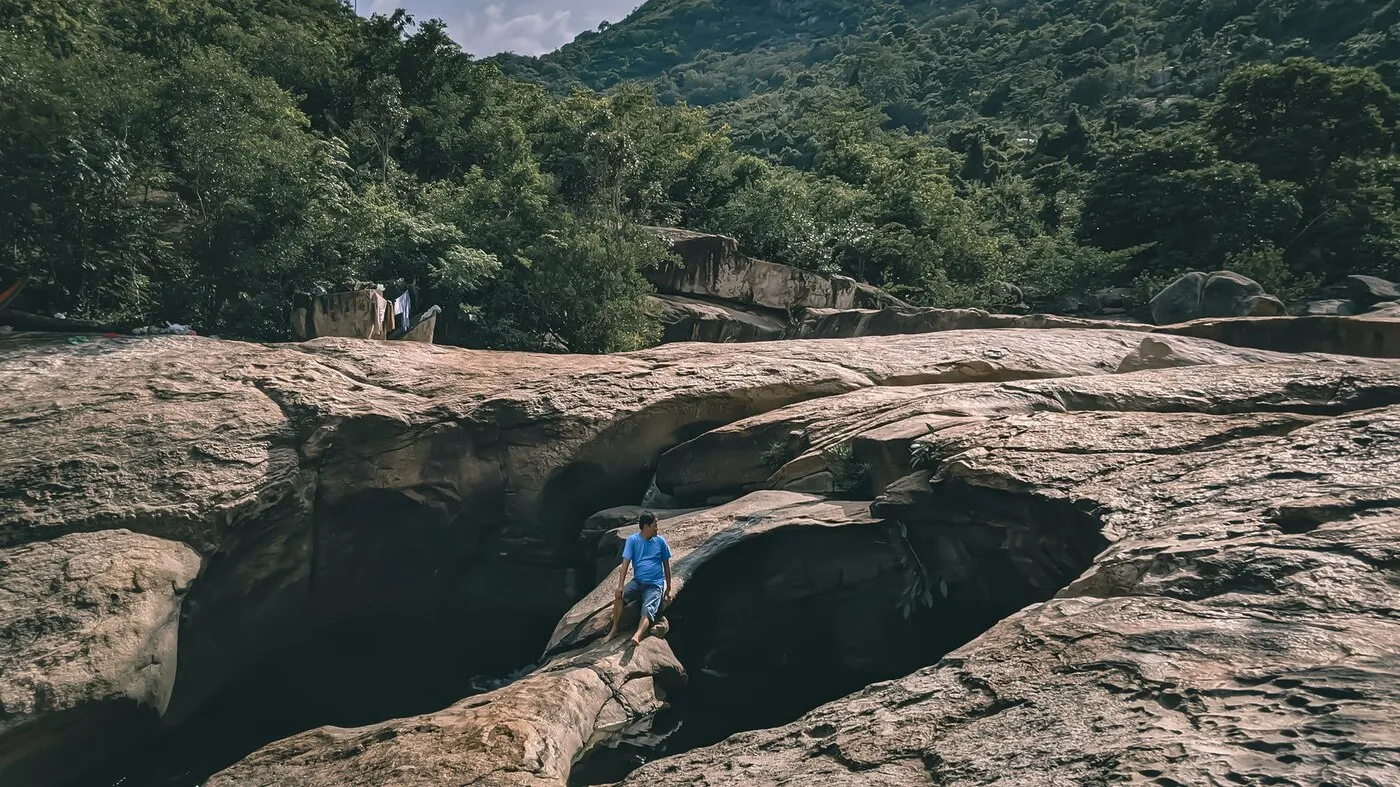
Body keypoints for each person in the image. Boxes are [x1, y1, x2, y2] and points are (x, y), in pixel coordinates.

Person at [606, 511, 673, 646]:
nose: (657, 528)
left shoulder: (660, 542)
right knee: (619, 596)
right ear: (646, 527)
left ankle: (638, 635)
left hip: (655, 584)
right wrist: (620, 586)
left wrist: (669, 589)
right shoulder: (633, 540)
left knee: (648, 608)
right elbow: (625, 564)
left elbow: (666, 565)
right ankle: (614, 629)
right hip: (638, 581)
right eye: (655, 525)